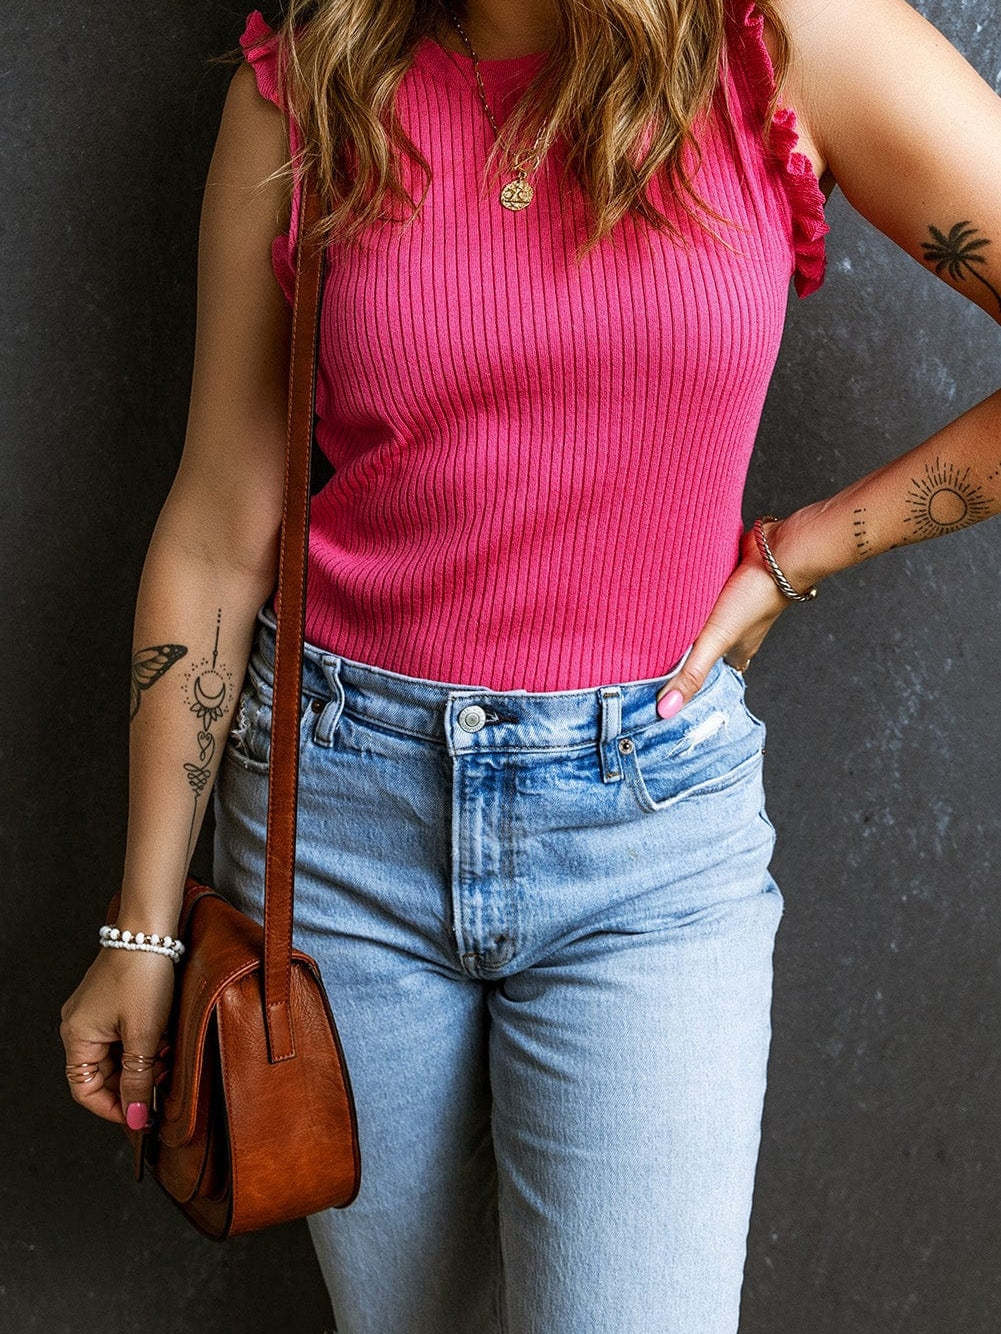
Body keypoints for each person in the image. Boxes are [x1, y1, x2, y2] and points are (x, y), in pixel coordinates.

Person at [60, 0, 1000, 1329]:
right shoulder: (308, 84)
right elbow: (219, 525)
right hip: (338, 821)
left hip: (647, 839)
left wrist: (803, 550)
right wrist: (141, 927)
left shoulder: (780, 40)